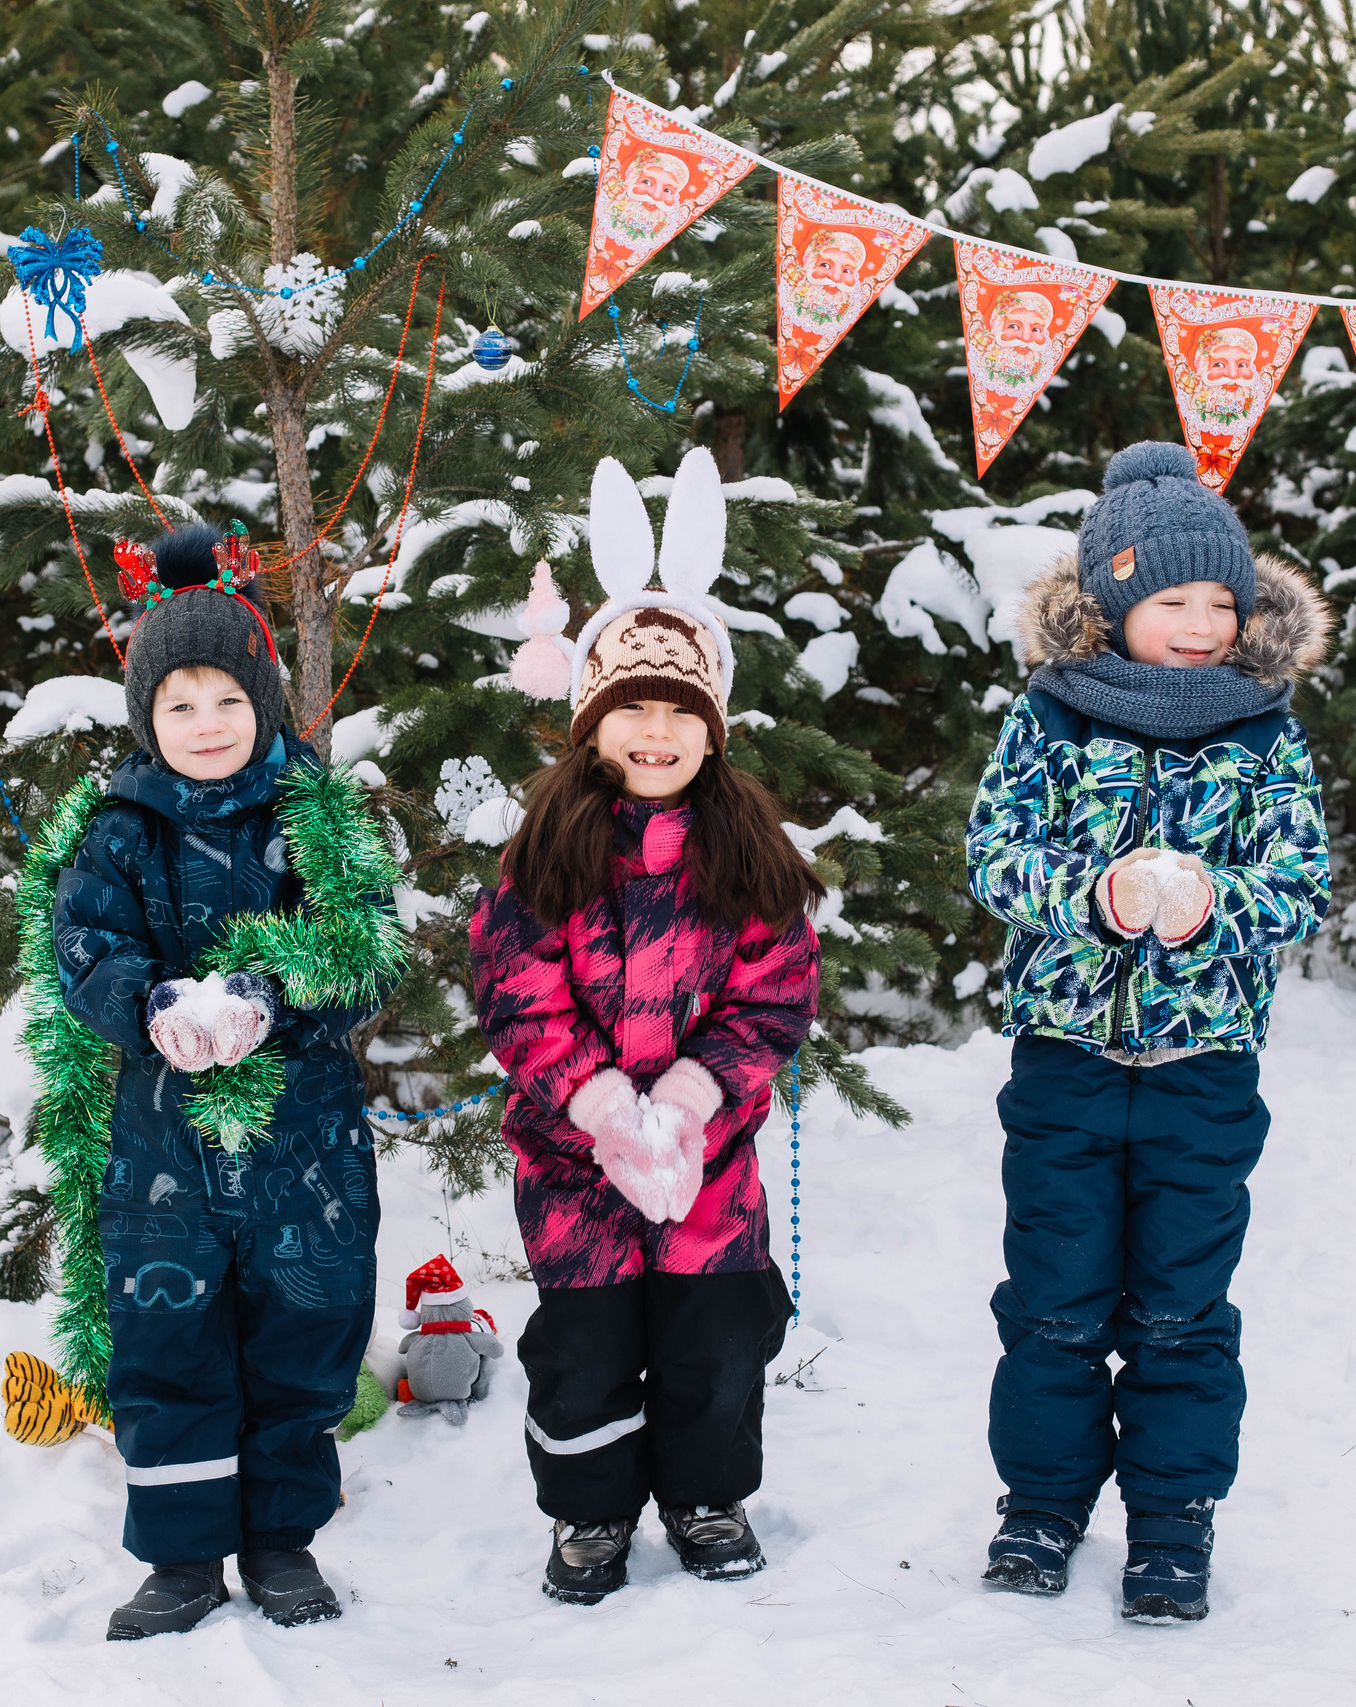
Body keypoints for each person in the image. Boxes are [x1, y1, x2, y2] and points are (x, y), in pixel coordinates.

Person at [964, 441, 1332, 1624]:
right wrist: (1094, 894)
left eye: (1219, 602)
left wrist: (1218, 903)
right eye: (1172, 599)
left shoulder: (1265, 733)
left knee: (1180, 1305)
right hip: (1066, 1060)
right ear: (1115, 602)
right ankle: (1041, 1505)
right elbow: (992, 855)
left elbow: (1304, 880)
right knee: (1056, 1299)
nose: (1200, 622)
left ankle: (1172, 1521)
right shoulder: (1051, 720)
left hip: (1202, 1070)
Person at [473, 451, 822, 1604]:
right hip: (573, 1162)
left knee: (713, 1338)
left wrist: (686, 1098)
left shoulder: (749, 856)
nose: (658, 733)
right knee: (584, 1345)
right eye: (634, 713)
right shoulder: (546, 854)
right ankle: (589, 1514)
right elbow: (515, 986)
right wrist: (597, 1099)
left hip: (707, 1161)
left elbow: (772, 996)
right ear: (593, 726)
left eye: (681, 712)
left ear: (713, 728)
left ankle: (706, 1496)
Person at [52, 524, 392, 1639]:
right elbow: (85, 948)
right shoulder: (120, 830)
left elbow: (361, 947)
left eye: (227, 701)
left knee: (305, 1330)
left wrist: (268, 993)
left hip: (307, 1148)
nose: (206, 725)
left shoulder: (316, 819)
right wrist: (149, 1005)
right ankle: (183, 1557)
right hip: (164, 1144)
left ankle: (282, 1540)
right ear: (148, 717)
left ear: (265, 704)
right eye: (180, 705)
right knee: (170, 1341)